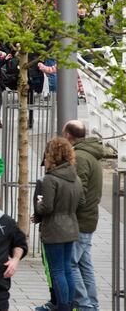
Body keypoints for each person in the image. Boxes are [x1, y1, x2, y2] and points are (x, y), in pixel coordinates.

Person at [34, 137, 84, 311]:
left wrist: (38, 205)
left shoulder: (50, 179)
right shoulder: (74, 178)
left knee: (57, 271)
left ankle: (62, 306)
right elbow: (82, 202)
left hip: (54, 230)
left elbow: (46, 207)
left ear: (53, 156)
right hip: (71, 227)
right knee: (67, 269)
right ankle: (69, 305)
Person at [62, 120, 103, 311]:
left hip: (80, 220)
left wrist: (67, 210)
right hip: (89, 217)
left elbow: (79, 190)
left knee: (70, 263)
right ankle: (92, 304)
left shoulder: (78, 156)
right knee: (84, 263)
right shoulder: (91, 154)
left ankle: (85, 305)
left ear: (68, 135)